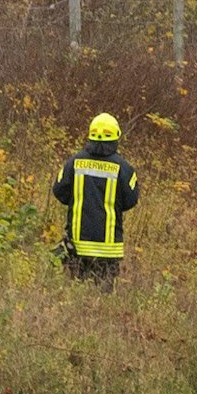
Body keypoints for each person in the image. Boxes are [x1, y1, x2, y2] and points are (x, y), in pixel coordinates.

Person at [51, 113, 138, 287]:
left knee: (76, 294)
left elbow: (59, 191)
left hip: (77, 246)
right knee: (103, 297)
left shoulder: (74, 163)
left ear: (90, 135)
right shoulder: (124, 168)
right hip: (109, 249)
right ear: (116, 137)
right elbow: (131, 200)